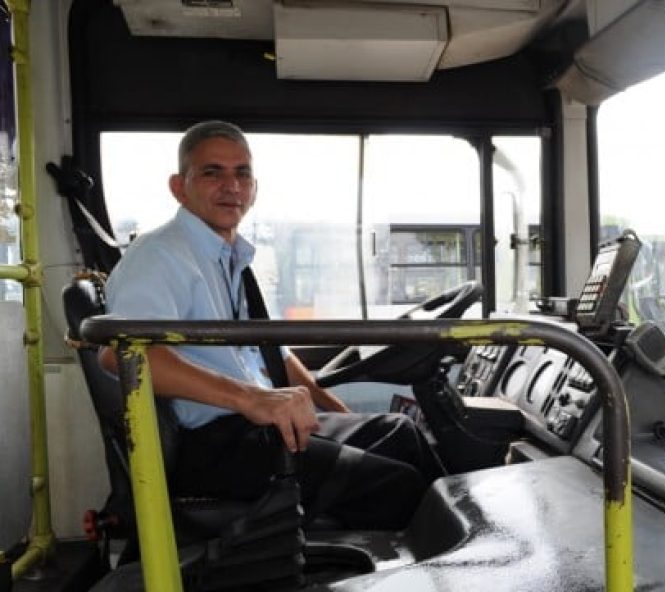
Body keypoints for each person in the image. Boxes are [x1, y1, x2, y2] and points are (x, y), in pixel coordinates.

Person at [98, 120, 441, 530]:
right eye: (212, 172)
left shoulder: (229, 257)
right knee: (398, 484)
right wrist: (252, 399)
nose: (231, 186)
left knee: (400, 432)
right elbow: (120, 353)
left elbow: (270, 352)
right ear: (179, 186)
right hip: (217, 446)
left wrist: (333, 409)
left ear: (254, 188)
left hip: (254, 428)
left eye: (242, 173)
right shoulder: (160, 255)